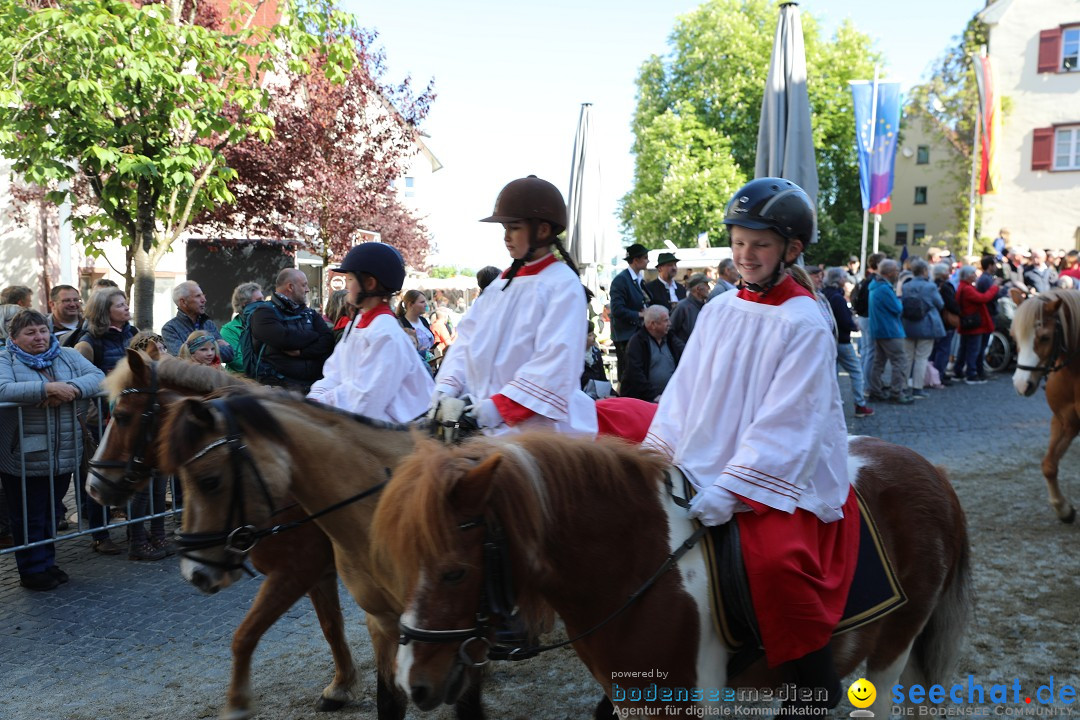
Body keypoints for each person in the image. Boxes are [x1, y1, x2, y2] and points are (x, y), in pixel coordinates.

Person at [643, 178, 856, 710]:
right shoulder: (719, 307)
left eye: (759, 244)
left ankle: (813, 681)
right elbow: (686, 388)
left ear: (791, 248)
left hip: (787, 468)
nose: (746, 255)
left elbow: (790, 421)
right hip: (703, 453)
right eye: (738, 243)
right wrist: (658, 450)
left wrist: (733, 488)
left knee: (777, 561)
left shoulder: (804, 320)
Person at [429, 175, 597, 437]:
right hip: (479, 420)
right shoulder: (500, 284)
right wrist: (445, 390)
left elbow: (554, 365)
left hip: (537, 431)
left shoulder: (562, 284)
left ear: (542, 230)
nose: (506, 236)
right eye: (504, 228)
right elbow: (466, 342)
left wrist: (491, 410)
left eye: (514, 228)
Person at [0, 310, 105, 590]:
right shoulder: (4, 358)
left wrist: (69, 388)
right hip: (23, 451)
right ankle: (31, 569)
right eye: (30, 333)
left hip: (63, 451)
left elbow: (98, 377)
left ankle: (47, 561)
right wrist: (46, 389)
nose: (39, 337)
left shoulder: (68, 354)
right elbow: (3, 389)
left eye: (43, 331)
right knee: (28, 513)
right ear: (14, 337)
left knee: (50, 511)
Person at [308, 243, 433, 421]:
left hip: (397, 436)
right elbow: (335, 372)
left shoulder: (387, 334)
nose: (346, 285)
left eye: (350, 279)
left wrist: (319, 405)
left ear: (370, 284)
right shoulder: (359, 322)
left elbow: (366, 399)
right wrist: (314, 399)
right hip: (365, 428)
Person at [74, 288, 137, 554]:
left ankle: (137, 527)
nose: (126, 307)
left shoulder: (132, 334)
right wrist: (91, 415)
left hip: (128, 418)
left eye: (125, 303)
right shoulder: (88, 342)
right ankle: (100, 535)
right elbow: (80, 379)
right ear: (104, 311)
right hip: (99, 420)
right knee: (99, 474)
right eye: (119, 305)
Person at [249, 268, 334, 392]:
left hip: (314, 388)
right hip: (280, 391)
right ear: (290, 287)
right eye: (304, 285)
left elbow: (327, 341)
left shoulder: (309, 313)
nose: (307, 289)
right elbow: (284, 340)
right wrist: (315, 335)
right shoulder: (263, 313)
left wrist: (302, 352)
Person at [822, 267, 872, 417]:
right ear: (840, 279)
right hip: (841, 340)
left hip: (830, 340)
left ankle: (832, 404)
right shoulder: (837, 297)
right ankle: (860, 404)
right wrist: (853, 325)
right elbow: (844, 320)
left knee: (833, 373)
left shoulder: (825, 294)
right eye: (844, 278)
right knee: (856, 371)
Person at [899, 258, 945, 399]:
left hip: (907, 324)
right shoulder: (930, 287)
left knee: (907, 357)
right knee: (921, 357)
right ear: (925, 271)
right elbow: (940, 304)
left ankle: (903, 386)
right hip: (926, 324)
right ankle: (917, 388)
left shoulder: (906, 285)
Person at [867, 259, 912, 404]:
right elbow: (898, 309)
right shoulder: (884, 289)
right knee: (900, 361)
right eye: (896, 271)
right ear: (890, 272)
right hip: (890, 330)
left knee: (878, 362)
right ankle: (896, 393)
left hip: (879, 329)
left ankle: (876, 390)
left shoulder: (875, 286)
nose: (898, 273)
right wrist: (899, 301)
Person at [620, 304, 684, 402]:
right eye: (666, 320)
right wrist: (653, 396)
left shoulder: (670, 338)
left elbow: (684, 353)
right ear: (653, 324)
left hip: (669, 398)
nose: (670, 323)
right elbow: (635, 373)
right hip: (644, 401)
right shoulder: (637, 342)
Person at [609, 243, 652, 383]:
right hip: (625, 337)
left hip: (637, 334)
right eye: (645, 258)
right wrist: (640, 315)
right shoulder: (621, 280)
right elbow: (616, 310)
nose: (648, 260)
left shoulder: (638, 280)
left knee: (639, 374)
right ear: (636, 260)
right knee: (629, 376)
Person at [161, 281, 234, 363]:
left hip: (212, 374)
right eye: (198, 296)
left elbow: (229, 355)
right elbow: (182, 359)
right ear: (183, 302)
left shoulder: (208, 324)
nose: (204, 300)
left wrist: (194, 351)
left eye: (203, 295)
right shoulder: (170, 328)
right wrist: (217, 347)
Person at [955, 265, 1001, 384]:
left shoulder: (963, 287)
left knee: (964, 348)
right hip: (974, 324)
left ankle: (959, 371)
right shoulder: (968, 289)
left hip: (968, 322)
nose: (976, 276)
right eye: (973, 274)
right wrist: (995, 287)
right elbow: (984, 298)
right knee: (973, 350)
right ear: (968, 276)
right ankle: (971, 373)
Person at [219, 281, 265, 373]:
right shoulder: (228, 330)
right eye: (259, 300)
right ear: (244, 303)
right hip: (241, 384)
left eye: (263, 299)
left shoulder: (268, 325)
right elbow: (239, 363)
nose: (264, 303)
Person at [931, 262, 961, 387]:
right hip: (945, 321)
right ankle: (939, 375)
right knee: (943, 349)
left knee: (933, 350)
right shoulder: (946, 286)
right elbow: (950, 304)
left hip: (934, 320)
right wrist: (959, 311)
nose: (950, 273)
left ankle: (931, 374)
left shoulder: (932, 284)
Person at [396, 289, 438, 373]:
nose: (425, 304)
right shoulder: (401, 324)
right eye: (422, 302)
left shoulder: (423, 320)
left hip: (430, 366)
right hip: (415, 369)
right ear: (411, 304)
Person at [669, 273, 710, 345]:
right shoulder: (682, 307)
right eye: (706, 284)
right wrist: (683, 348)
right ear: (698, 289)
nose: (709, 287)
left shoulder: (705, 307)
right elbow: (670, 332)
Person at [581, 321, 611, 399]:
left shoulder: (596, 352)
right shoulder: (575, 356)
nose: (594, 336)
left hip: (598, 394)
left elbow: (602, 377)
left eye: (593, 333)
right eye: (590, 335)